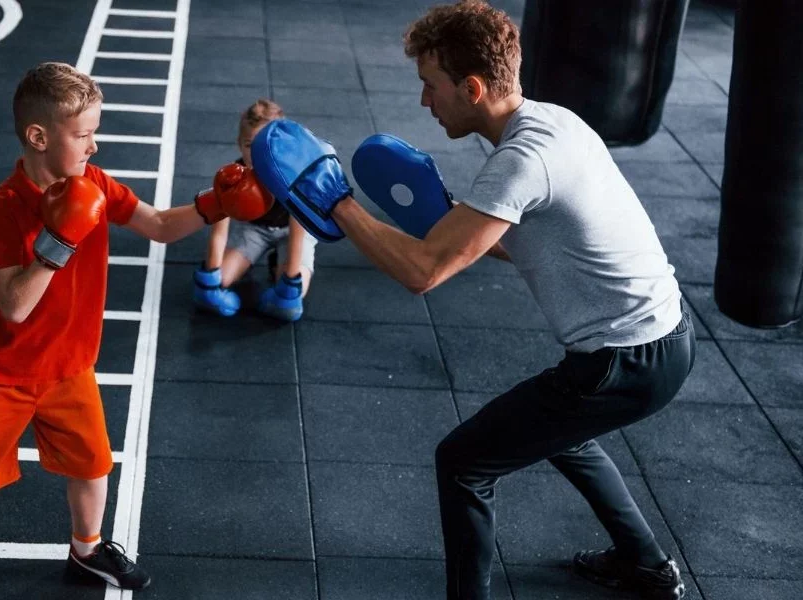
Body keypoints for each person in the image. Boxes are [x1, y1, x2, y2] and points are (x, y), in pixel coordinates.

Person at [251, 2, 693, 599]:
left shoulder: (521, 160)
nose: (425, 102)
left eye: (431, 87)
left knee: (464, 463)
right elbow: (525, 245)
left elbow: (422, 273)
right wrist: (450, 220)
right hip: (664, 337)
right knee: (565, 435)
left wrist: (336, 203)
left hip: (626, 359)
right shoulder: (552, 123)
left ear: (474, 87)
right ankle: (645, 564)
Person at [0, 62, 272, 600]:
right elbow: (15, 306)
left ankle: (87, 550)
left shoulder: (92, 182)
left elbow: (160, 226)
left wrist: (217, 204)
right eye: (83, 134)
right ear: (38, 136)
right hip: (2, 373)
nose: (94, 146)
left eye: (95, 133)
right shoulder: (2, 210)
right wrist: (60, 238)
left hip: (70, 368)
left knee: (94, 463)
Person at [192, 99, 317, 322]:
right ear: (240, 144)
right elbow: (219, 229)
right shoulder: (233, 176)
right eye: (250, 145)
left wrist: (289, 283)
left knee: (291, 299)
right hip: (254, 230)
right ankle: (254, 262)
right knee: (216, 283)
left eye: (266, 144)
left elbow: (298, 229)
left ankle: (279, 265)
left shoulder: (295, 176)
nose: (258, 152)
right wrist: (209, 281)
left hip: (293, 232)